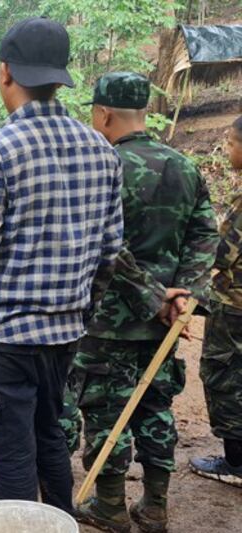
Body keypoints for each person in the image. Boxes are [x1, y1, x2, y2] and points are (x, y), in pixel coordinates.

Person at [0, 18, 125, 514]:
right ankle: (60, 521)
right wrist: (78, 304)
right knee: (50, 432)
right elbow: (111, 250)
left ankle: (20, 526)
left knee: (11, 449)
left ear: (5, 72)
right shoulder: (102, 151)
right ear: (59, 76)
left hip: (3, 337)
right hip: (65, 332)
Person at [72, 72, 219, 532]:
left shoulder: (103, 167)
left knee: (105, 409)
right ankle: (155, 506)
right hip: (164, 322)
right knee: (155, 406)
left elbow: (106, 246)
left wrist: (155, 298)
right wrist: (185, 295)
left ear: (103, 113)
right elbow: (204, 233)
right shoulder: (184, 166)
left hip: (110, 320)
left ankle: (111, 506)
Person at [190, 115, 242, 488]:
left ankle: (235, 461)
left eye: (231, 142)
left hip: (234, 306)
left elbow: (222, 254)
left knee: (224, 375)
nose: (227, 149)